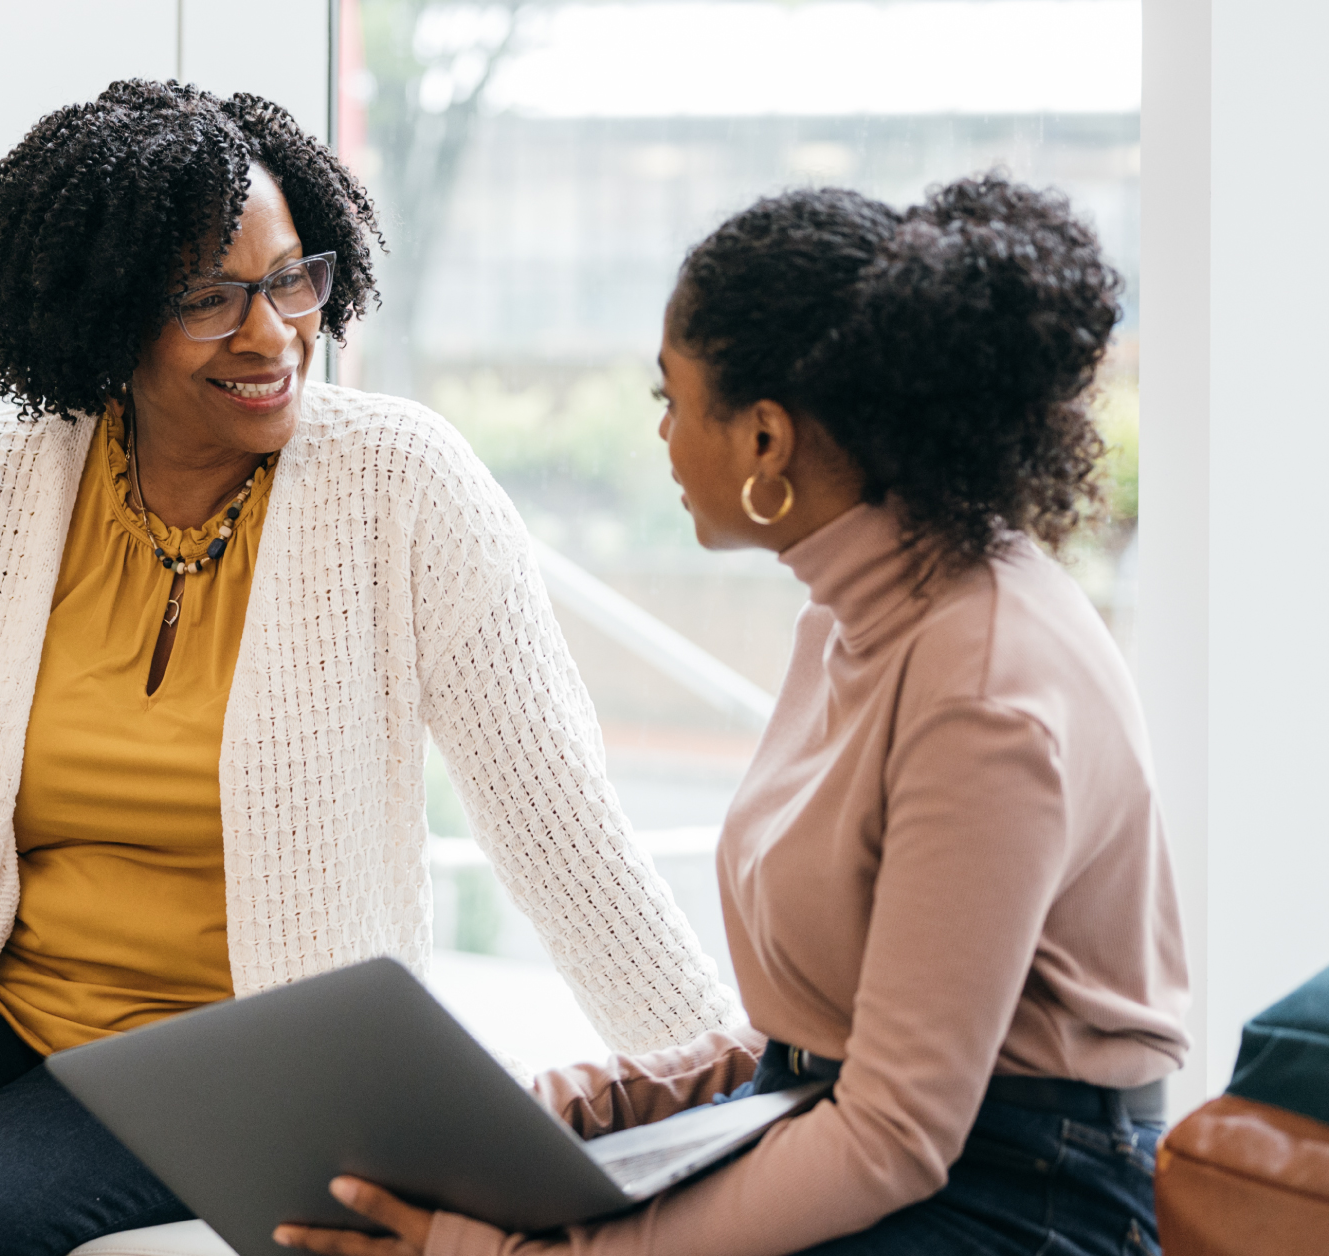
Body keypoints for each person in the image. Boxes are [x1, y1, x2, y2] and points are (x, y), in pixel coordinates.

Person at [0, 80, 737, 1256]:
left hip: (238, 1048)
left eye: (294, 277)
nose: (274, 331)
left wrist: (734, 1092)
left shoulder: (400, 483)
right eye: (209, 300)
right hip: (11, 1001)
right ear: (104, 312)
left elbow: (558, 820)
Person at [278, 176, 1191, 1256]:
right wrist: (573, 1107)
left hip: (1025, 1193)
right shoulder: (854, 614)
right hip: (845, 1123)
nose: (661, 433)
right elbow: (816, 1036)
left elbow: (895, 1134)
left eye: (670, 396)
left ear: (765, 439)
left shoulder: (983, 688)